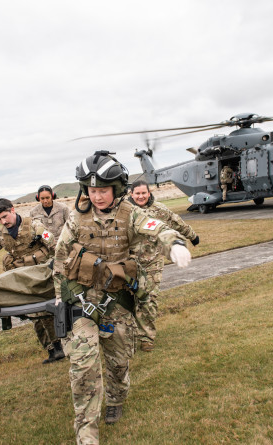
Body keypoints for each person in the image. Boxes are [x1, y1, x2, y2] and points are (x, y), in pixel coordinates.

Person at [53, 151, 192, 444]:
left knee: (118, 364)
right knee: (82, 369)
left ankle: (116, 398)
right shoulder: (77, 217)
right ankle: (87, 435)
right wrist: (58, 297)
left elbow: (158, 229)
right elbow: (60, 256)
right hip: (83, 303)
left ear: (116, 188)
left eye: (102, 189)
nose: (97, 196)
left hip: (117, 304)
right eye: (91, 190)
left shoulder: (131, 214)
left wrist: (175, 244)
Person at [0, 198, 65, 364]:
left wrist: (61, 265)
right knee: (34, 315)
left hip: (42, 277)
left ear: (13, 210)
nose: (3, 222)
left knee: (46, 312)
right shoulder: (0, 236)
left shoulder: (35, 226)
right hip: (23, 282)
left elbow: (53, 243)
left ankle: (59, 345)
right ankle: (51, 349)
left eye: (5, 216)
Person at [128, 180, 199, 352]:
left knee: (149, 299)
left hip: (153, 261)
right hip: (129, 264)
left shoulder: (159, 209)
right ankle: (129, 334)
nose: (141, 196)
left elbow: (176, 222)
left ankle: (146, 337)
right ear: (131, 194)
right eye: (137, 193)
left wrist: (192, 236)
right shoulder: (125, 212)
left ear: (149, 192)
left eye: (143, 193)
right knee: (129, 299)